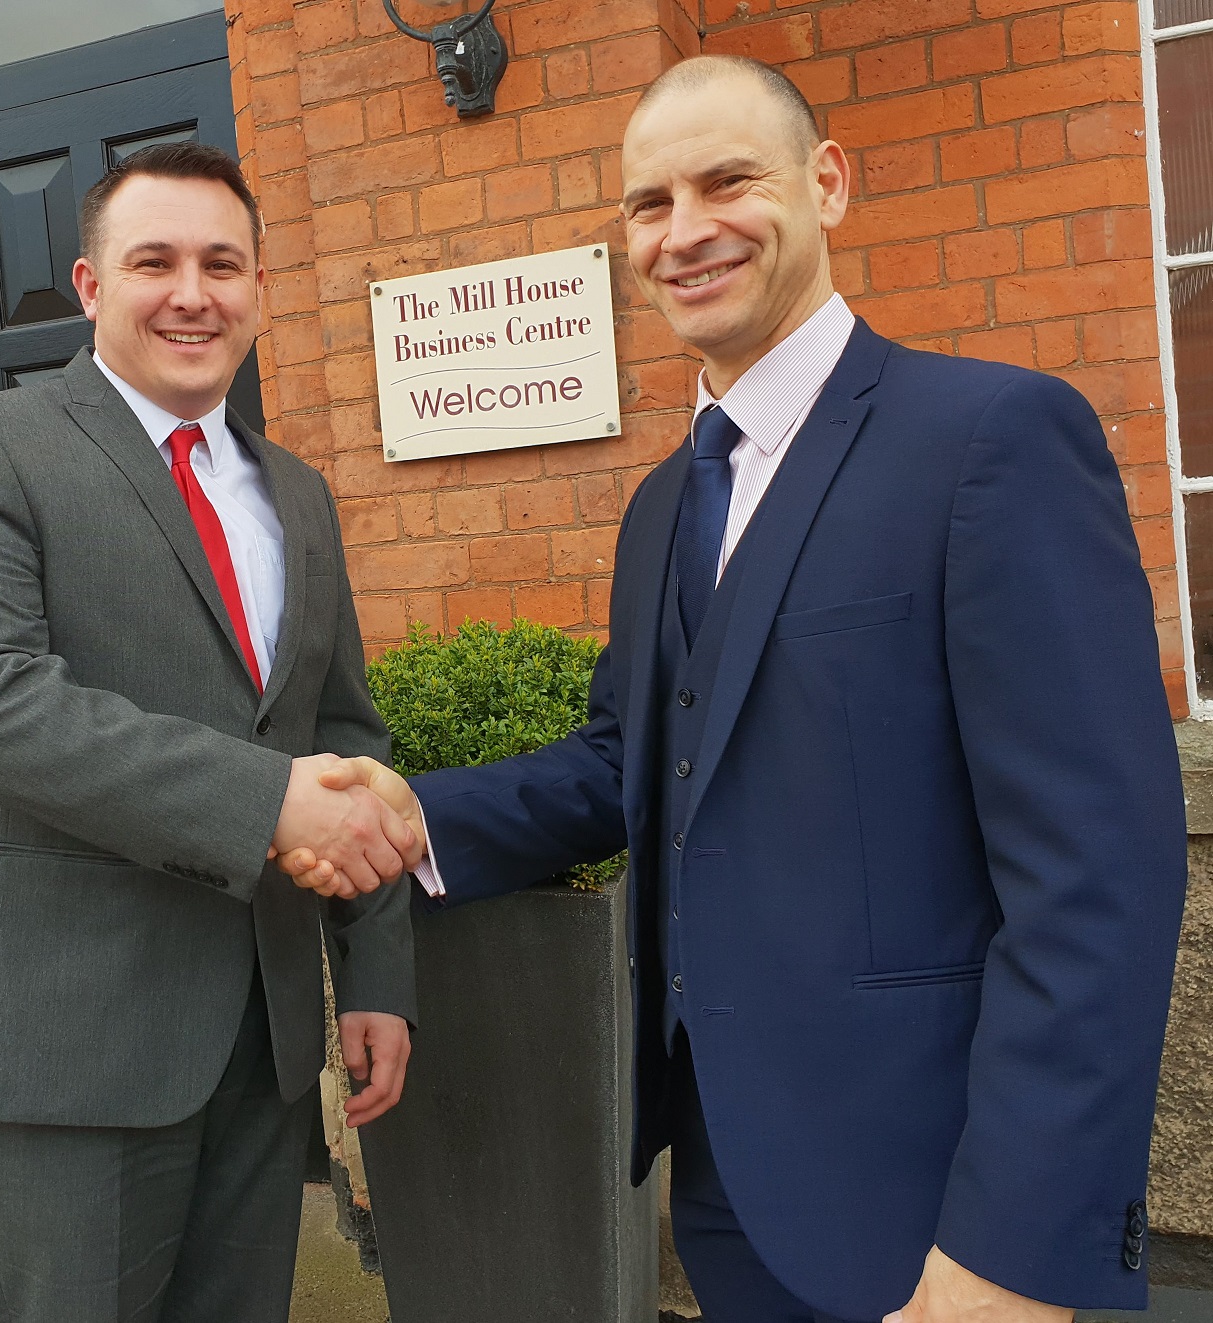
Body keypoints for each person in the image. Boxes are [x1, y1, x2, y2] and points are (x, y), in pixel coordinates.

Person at [282, 55, 1186, 1323]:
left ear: (826, 184)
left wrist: (1017, 1252)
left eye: (727, 182)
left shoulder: (990, 441)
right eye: (648, 204)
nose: (684, 231)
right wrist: (414, 817)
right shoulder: (663, 505)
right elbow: (625, 761)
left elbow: (1101, 878)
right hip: (723, 1186)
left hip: (938, 1213)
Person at [0, 141, 419, 1323]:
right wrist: (267, 804)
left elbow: (343, 732)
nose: (193, 293)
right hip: (77, 1046)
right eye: (155, 261)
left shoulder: (297, 491)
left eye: (223, 263)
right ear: (88, 288)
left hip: (265, 1041)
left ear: (261, 290)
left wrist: (375, 973)